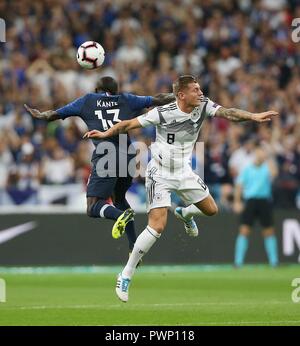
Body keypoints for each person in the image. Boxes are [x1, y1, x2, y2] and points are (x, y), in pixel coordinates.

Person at [84, 75, 279, 302]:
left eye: (199, 88)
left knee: (212, 209)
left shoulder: (204, 106)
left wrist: (253, 116)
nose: (200, 92)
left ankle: (185, 213)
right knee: (157, 226)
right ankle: (126, 274)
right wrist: (106, 133)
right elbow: (129, 124)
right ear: (181, 95)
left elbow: (229, 113)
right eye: (195, 90)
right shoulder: (163, 113)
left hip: (183, 172)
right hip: (160, 173)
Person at [24, 76, 175, 252]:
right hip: (129, 157)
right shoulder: (126, 99)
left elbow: (52, 115)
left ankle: (120, 216)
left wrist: (40, 115)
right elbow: (158, 99)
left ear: (97, 89)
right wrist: (180, 96)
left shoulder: (88, 100)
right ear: (115, 90)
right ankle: (134, 244)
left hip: (106, 155)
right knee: (119, 199)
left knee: (93, 206)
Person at [233, 146, 279, 267]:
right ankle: (238, 262)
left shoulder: (267, 167)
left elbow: (275, 173)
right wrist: (237, 201)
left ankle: (274, 262)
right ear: (255, 154)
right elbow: (239, 185)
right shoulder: (247, 169)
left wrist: (268, 158)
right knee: (244, 230)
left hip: (264, 201)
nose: (260, 155)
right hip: (251, 201)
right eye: (258, 153)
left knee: (269, 231)